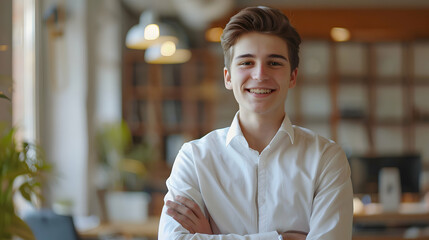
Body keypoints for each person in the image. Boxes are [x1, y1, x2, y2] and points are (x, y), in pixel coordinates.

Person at [158, 6, 353, 240]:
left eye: (274, 63)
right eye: (246, 63)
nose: (260, 74)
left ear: (292, 76)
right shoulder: (194, 159)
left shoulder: (326, 159)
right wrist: (283, 238)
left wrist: (210, 237)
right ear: (228, 77)